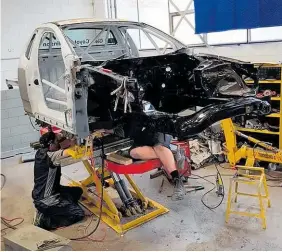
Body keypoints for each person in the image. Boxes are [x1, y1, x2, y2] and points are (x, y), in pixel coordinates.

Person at [32, 131, 85, 230]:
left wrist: (63, 135)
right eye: (57, 142)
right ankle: (44, 220)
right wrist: (73, 138)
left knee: (78, 191)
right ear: (51, 144)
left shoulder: (40, 152)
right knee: (78, 214)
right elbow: (70, 150)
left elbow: (63, 144)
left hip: (46, 192)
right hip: (47, 199)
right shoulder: (52, 156)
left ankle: (60, 208)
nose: (59, 144)